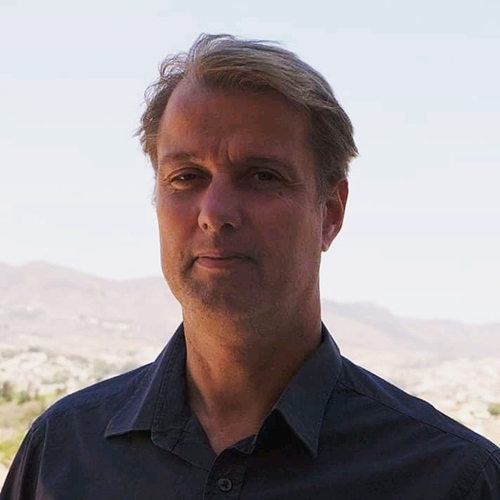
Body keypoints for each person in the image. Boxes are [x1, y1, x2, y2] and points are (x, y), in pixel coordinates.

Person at [1, 34, 499, 499]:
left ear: (330, 213)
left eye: (262, 176)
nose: (215, 212)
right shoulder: (63, 453)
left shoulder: (453, 479)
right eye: (186, 176)